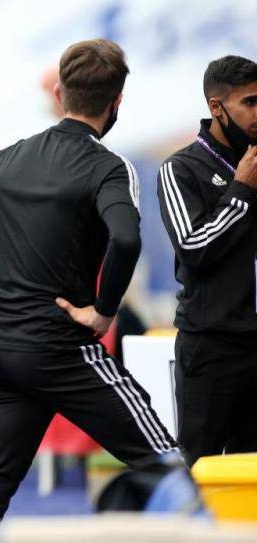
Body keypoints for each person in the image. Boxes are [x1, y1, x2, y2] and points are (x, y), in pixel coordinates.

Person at [0, 39, 179, 542]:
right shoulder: (108, 167)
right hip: (60, 347)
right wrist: (103, 311)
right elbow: (125, 237)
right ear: (117, 101)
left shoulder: (9, 158)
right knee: (166, 458)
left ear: (59, 92)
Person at [157, 55, 257, 467]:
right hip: (212, 346)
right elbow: (193, 247)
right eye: (249, 103)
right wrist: (240, 192)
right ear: (216, 107)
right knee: (199, 471)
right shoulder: (181, 168)